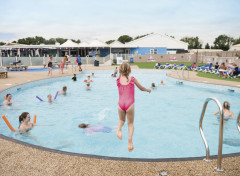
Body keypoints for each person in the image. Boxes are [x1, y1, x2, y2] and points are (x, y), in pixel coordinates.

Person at [116, 63, 151, 152]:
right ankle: (130, 140)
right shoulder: (132, 79)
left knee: (121, 120)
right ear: (129, 70)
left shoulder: (118, 79)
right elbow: (141, 88)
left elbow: (121, 76)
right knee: (130, 123)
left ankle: (119, 130)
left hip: (120, 104)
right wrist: (147, 90)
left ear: (120, 70)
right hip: (129, 104)